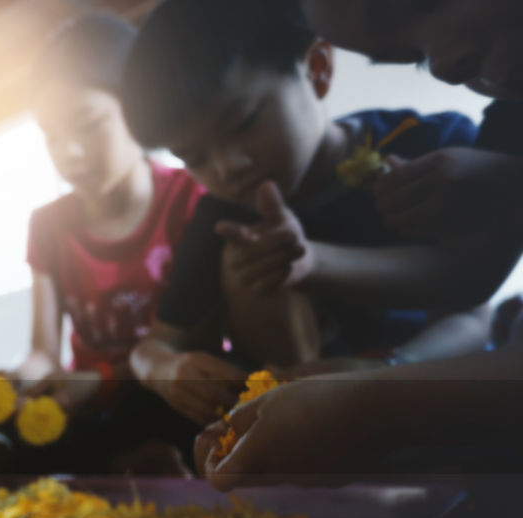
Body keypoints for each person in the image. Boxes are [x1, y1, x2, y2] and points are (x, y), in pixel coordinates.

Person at [121, 0, 502, 429]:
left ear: (317, 69)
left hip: (428, 400)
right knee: (245, 255)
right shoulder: (225, 215)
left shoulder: (434, 150)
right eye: (194, 157)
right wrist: (169, 372)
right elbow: (152, 348)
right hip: (301, 421)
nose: (228, 167)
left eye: (243, 122)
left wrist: (389, 369)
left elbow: (471, 315)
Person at [190, 0, 523, 488]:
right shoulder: (510, 120)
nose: (446, 70)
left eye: (425, 4)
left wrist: (368, 398)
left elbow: (468, 304)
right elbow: (468, 274)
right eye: (412, 55)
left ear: (317, 71)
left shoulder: (438, 137)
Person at [0, 14, 202, 474]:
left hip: (161, 393)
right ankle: (128, 462)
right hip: (86, 407)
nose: (70, 154)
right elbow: (43, 351)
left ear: (138, 108)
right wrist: (21, 379)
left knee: (178, 403)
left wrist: (100, 380)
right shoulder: (47, 226)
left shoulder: (189, 201)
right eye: (53, 138)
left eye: (88, 125)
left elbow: (197, 344)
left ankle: (141, 459)